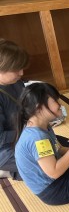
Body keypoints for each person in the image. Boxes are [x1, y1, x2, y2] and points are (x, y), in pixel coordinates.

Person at [0, 39, 30, 179]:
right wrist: (30, 132)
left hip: (23, 136)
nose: (21, 73)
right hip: (5, 148)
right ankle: (9, 170)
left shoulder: (16, 82)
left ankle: (15, 171)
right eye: (16, 69)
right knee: (50, 164)